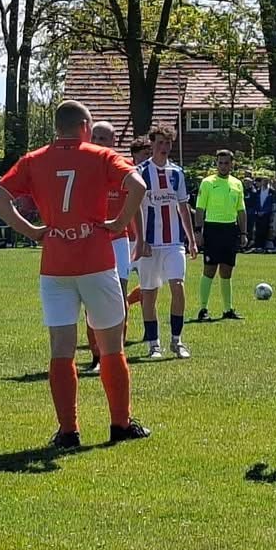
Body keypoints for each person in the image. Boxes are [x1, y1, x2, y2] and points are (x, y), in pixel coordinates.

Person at [0, 99, 149, 449]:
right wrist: (120, 223)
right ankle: (120, 425)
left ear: (57, 127)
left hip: (55, 266)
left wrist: (32, 231)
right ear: (85, 127)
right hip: (96, 262)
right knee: (111, 346)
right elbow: (138, 186)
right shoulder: (100, 155)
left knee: (61, 349)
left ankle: (68, 431)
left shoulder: (34, 159)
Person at [134, 127, 198, 360]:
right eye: (160, 142)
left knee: (178, 287)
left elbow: (182, 207)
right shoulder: (140, 172)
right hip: (150, 244)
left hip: (173, 242)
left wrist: (191, 239)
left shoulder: (177, 173)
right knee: (149, 295)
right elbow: (135, 209)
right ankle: (154, 344)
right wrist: (141, 240)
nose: (164, 147)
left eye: (168, 143)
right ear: (152, 144)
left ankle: (177, 340)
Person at [81, 122, 136, 376]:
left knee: (119, 297)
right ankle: (96, 355)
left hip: (118, 239)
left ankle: (116, 352)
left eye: (105, 137)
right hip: (90, 240)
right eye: (96, 136)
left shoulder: (123, 168)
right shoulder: (80, 166)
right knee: (90, 298)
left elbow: (138, 205)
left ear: (114, 142)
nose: (100, 141)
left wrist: (142, 239)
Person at [195, 149, 247, 321]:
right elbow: (200, 209)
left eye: (226, 163)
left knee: (227, 270)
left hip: (230, 230)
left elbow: (241, 210)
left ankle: (228, 309)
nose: (223, 166)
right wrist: (198, 231)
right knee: (209, 270)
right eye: (220, 163)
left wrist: (243, 232)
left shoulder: (237, 184)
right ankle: (203, 309)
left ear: (232, 164)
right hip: (213, 229)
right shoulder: (208, 183)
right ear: (216, 164)